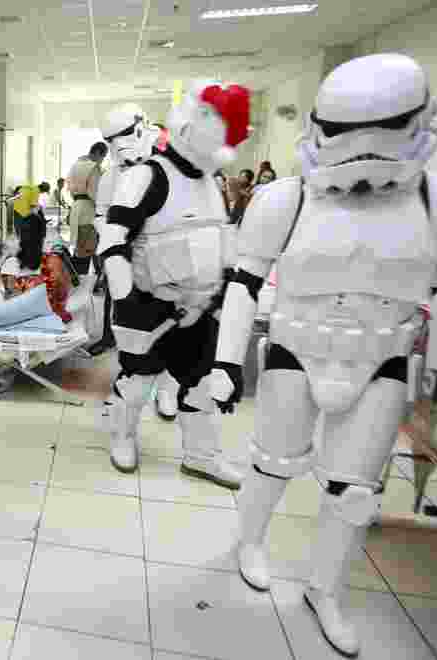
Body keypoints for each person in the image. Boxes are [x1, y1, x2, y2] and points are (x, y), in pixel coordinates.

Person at [208, 54, 437, 656]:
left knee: (354, 491)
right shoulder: (284, 200)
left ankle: (327, 590)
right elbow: (244, 283)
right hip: (296, 347)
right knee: (271, 462)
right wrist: (223, 364)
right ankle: (249, 542)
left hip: (382, 360)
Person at [97, 79, 250, 490]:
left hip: (200, 307)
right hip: (150, 303)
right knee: (136, 382)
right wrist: (125, 296)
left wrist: (224, 293)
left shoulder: (211, 183)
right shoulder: (145, 176)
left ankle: (201, 456)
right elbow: (113, 241)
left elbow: (220, 237)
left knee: (201, 384)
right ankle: (123, 437)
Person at [88, 103, 158, 357]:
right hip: (121, 247)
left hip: (156, 248)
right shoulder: (111, 176)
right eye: (111, 140)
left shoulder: (161, 168)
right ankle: (110, 337)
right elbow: (100, 213)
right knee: (114, 297)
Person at [66, 142, 107, 275]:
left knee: (80, 248)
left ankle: (77, 278)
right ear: (98, 153)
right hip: (88, 211)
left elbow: (69, 191)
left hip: (76, 208)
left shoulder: (74, 166)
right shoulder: (93, 167)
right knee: (88, 249)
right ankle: (81, 281)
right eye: (103, 157)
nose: (102, 161)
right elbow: (95, 193)